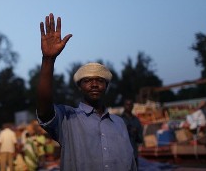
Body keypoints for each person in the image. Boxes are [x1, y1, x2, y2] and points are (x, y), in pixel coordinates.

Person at [36, 13, 136, 171]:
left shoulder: (119, 123)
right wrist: (48, 60)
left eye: (100, 80)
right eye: (88, 80)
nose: (94, 84)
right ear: (79, 86)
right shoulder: (68, 119)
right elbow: (44, 109)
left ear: (106, 86)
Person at [121, 99, 144, 168]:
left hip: (134, 154)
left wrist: (136, 132)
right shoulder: (118, 119)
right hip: (122, 155)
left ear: (132, 106)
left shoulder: (136, 120)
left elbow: (140, 139)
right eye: (127, 104)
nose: (129, 106)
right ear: (124, 106)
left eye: (130, 104)